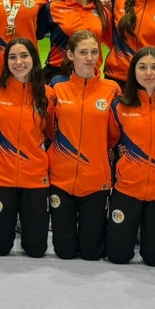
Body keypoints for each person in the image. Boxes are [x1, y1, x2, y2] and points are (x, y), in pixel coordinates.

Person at [48, 30, 120, 260]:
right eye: (83, 52)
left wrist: (98, 149)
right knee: (64, 252)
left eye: (94, 52)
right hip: (61, 178)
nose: (90, 58)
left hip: (95, 177)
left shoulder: (112, 89)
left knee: (92, 253)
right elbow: (49, 128)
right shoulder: (57, 89)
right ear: (70, 54)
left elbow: (115, 132)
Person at [107, 46, 155, 267]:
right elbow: (110, 141)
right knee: (118, 256)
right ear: (133, 72)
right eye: (142, 67)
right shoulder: (120, 105)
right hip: (127, 188)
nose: (149, 72)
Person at [0, 37, 55, 257]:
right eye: (13, 57)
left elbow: (53, 134)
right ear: (6, 61)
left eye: (24, 56)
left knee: (36, 249)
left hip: (35, 178)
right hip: (1, 177)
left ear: (34, 59)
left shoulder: (48, 95)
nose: (18, 62)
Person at [45, 0, 111, 81]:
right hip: (57, 76)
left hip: (90, 76)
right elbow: (33, 34)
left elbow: (113, 45)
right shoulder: (52, 7)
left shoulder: (104, 11)